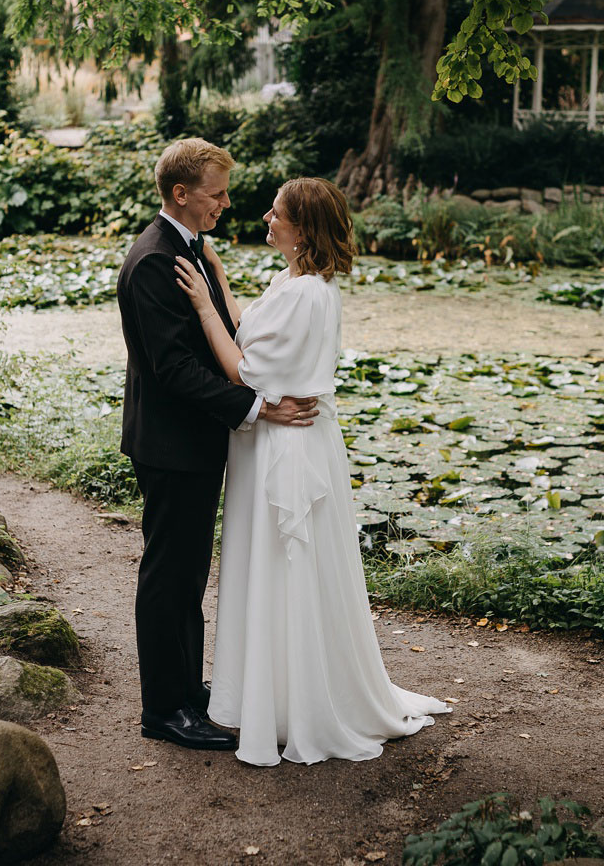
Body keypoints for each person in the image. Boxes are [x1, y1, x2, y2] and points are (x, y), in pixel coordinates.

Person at [174, 176, 450, 766]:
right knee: (282, 568)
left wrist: (202, 306)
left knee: (285, 568)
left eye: (276, 214)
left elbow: (243, 370)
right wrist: (220, 280)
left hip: (283, 448)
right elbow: (255, 330)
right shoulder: (297, 280)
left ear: (302, 229)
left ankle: (291, 704)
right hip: (286, 436)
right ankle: (272, 692)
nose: (265, 219)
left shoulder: (306, 294)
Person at [117, 138, 322, 751]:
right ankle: (164, 709)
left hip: (197, 442)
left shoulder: (194, 251)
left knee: (187, 575)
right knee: (168, 576)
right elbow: (173, 368)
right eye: (217, 193)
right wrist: (260, 408)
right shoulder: (155, 260)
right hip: (171, 446)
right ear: (181, 194)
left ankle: (187, 688)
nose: (228, 204)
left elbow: (223, 335)